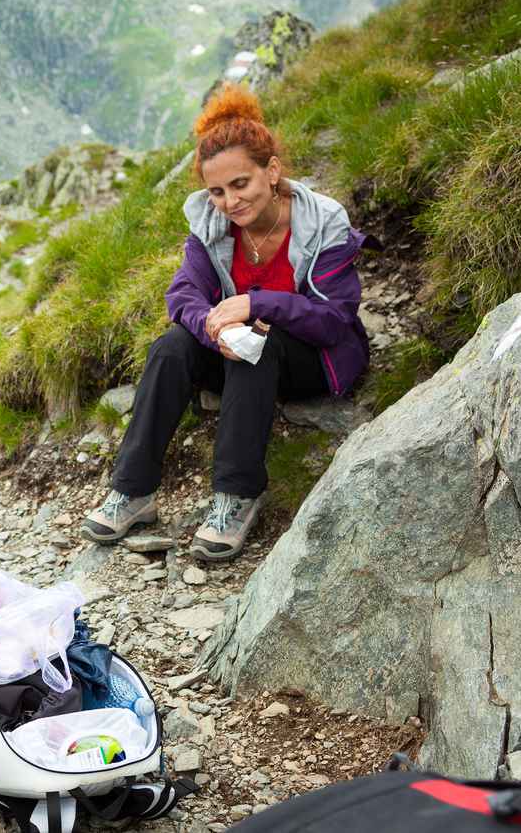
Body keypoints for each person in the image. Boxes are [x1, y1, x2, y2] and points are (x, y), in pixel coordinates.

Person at [80, 85, 371, 561]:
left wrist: (256, 304)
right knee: (172, 346)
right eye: (217, 191)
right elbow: (183, 294)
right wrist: (214, 327)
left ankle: (237, 495)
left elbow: (333, 322)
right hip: (240, 349)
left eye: (241, 184)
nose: (230, 201)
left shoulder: (322, 224)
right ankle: (133, 491)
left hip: (311, 357)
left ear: (271, 171)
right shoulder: (211, 224)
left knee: (260, 348)